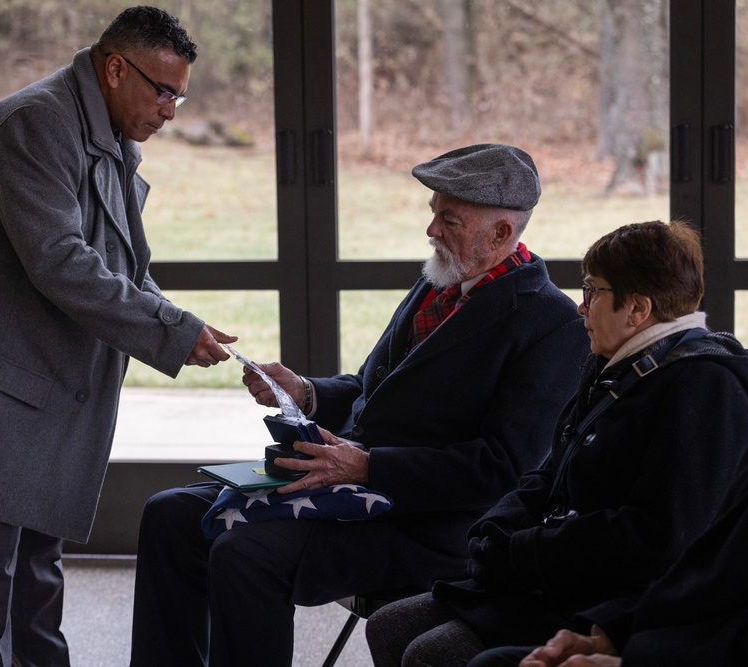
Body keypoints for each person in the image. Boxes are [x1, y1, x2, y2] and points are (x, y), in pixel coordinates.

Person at [129, 143, 591, 667]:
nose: (432, 230)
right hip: (350, 485)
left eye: (450, 219)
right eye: (434, 213)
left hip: (429, 525)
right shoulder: (438, 283)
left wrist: (370, 467)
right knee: (167, 515)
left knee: (246, 555)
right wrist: (305, 391)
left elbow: (504, 469)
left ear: (502, 234)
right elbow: (372, 387)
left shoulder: (553, 326)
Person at [0, 7, 234, 666]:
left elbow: (125, 266)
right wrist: (170, 331)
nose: (170, 110)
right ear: (114, 67)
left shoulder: (108, 133)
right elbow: (61, 262)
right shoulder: (35, 123)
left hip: (43, 395)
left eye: (179, 95)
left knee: (38, 577)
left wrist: (189, 331)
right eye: (162, 89)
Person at [365, 220, 748, 667]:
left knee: (432, 654)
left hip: (613, 603)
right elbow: (550, 469)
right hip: (556, 574)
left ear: (637, 309)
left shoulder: (706, 387)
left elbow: (657, 539)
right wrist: (495, 528)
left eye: (592, 292)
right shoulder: (615, 364)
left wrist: (522, 553)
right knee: (388, 625)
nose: (580, 308)